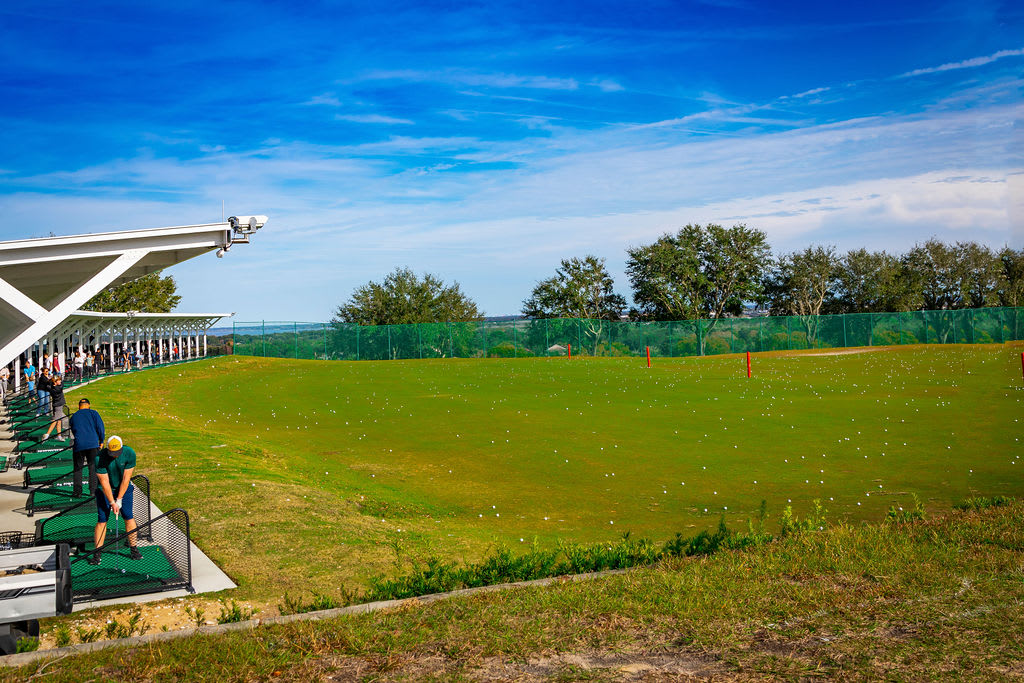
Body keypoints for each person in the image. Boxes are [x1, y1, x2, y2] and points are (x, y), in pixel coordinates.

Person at [90, 435, 143, 564]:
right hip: (104, 491)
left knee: (128, 516)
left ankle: (134, 549)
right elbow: (104, 482)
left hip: (124, 489)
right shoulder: (99, 458)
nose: (114, 456)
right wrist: (112, 502)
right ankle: (97, 554)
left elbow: (126, 478)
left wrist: (119, 499)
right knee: (102, 520)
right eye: (112, 453)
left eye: (117, 453)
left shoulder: (129, 453)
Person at [69, 397, 104, 498]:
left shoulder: (74, 416)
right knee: (92, 467)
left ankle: (77, 492)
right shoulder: (94, 413)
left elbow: (73, 429)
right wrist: (101, 441)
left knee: (78, 468)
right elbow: (100, 428)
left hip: (79, 444)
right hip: (93, 444)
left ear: (79, 406)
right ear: (89, 405)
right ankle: (93, 491)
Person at [41, 374, 67, 440]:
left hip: (55, 404)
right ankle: (47, 434)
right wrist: (53, 378)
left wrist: (50, 380)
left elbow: (47, 384)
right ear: (55, 382)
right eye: (58, 380)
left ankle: (59, 436)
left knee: (59, 420)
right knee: (55, 420)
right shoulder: (58, 388)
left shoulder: (51, 387)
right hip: (58, 405)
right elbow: (62, 384)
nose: (60, 381)